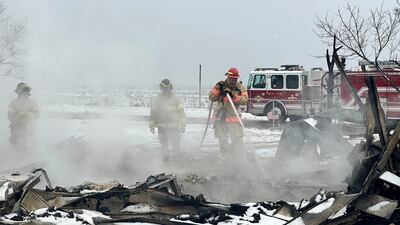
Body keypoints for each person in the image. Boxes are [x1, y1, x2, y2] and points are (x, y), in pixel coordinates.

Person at [209, 67, 248, 158]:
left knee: (238, 141)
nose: (233, 81)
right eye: (231, 78)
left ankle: (240, 161)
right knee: (223, 142)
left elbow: (245, 101)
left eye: (235, 79)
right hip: (220, 118)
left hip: (233, 119)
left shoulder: (240, 88)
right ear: (227, 77)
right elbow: (211, 97)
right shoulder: (221, 85)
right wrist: (218, 88)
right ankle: (226, 161)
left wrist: (233, 95)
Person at [148, 79, 186, 160]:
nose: (166, 91)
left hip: (174, 127)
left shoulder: (176, 99)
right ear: (162, 88)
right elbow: (153, 113)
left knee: (176, 148)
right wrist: (151, 125)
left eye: (168, 89)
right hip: (162, 128)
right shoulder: (157, 99)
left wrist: (183, 124)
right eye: (164, 89)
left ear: (170, 88)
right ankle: (166, 166)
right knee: (164, 149)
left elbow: (181, 113)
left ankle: (177, 166)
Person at [8, 82, 39, 151]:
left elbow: (37, 114)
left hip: (29, 127)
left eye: (26, 91)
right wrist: (18, 117)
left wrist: (30, 115)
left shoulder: (32, 103)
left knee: (31, 145)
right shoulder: (13, 103)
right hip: (16, 127)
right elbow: (10, 115)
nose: (24, 93)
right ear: (19, 92)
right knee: (15, 145)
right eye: (23, 91)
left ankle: (30, 156)